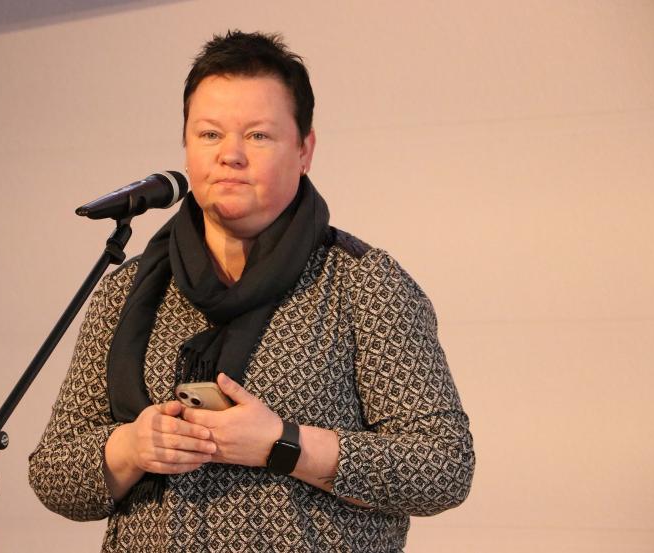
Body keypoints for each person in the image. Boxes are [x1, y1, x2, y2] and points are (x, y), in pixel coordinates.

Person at [29, 30, 474, 552]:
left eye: (258, 135)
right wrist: (130, 447)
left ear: (304, 150)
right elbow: (52, 474)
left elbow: (443, 466)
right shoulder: (128, 290)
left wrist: (283, 445)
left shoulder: (363, 282)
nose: (230, 155)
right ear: (186, 146)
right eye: (209, 134)